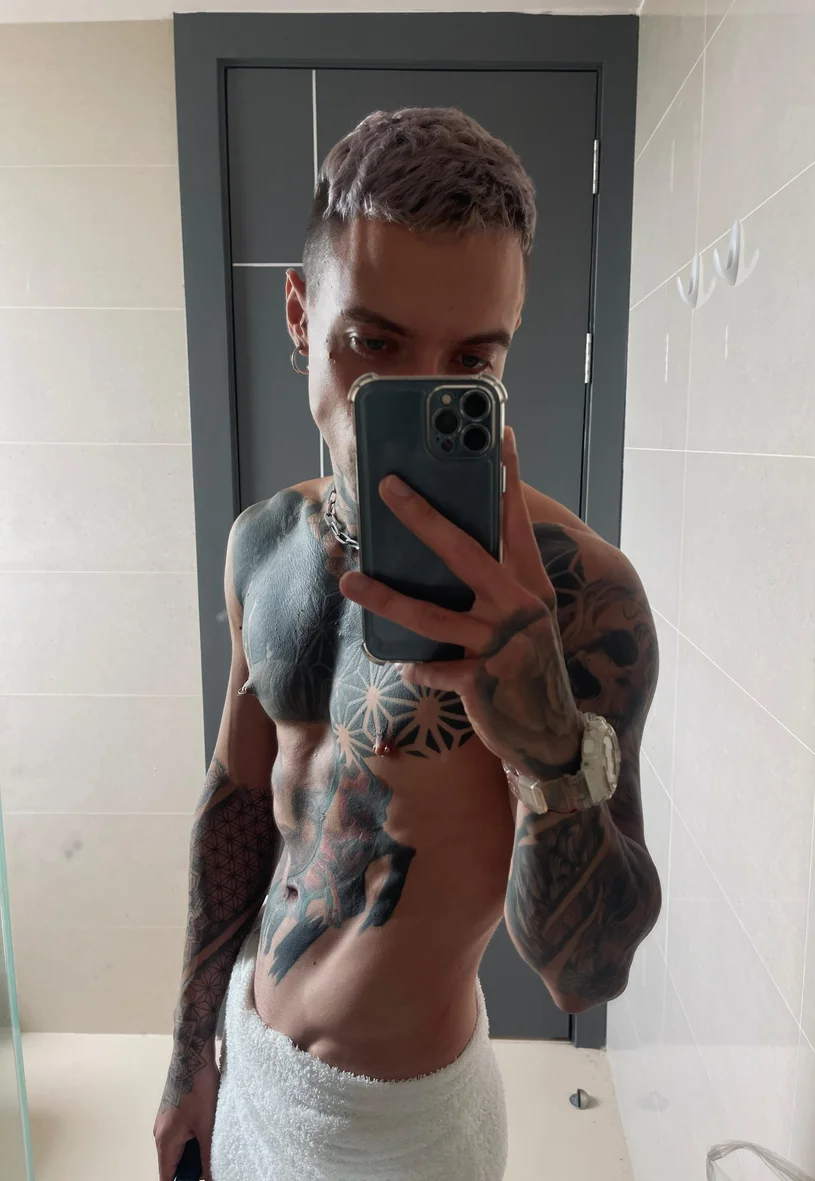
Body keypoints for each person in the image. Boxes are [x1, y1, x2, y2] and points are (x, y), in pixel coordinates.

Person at [153, 106, 661, 1181]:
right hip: (254, 1057)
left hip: (404, 1131)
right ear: (301, 314)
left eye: (469, 358)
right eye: (373, 344)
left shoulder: (579, 596)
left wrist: (547, 744)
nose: (418, 390)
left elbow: (587, 972)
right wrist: (189, 1048)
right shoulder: (260, 543)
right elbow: (238, 800)